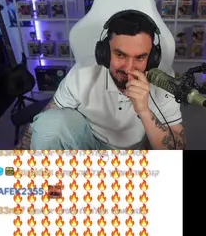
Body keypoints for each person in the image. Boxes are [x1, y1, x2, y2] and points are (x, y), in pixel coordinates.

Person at [27, 10, 187, 150]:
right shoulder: (82, 72)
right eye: (120, 55)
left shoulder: (164, 82)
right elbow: (45, 123)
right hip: (87, 145)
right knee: (49, 123)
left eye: (140, 57)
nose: (129, 68)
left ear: (152, 58)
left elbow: (178, 149)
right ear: (104, 52)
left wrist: (144, 111)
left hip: (136, 154)